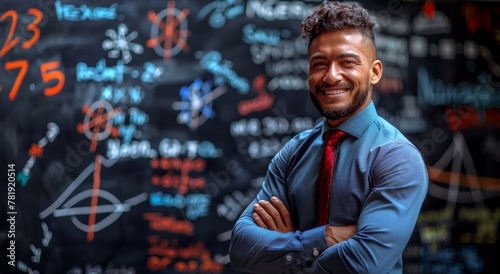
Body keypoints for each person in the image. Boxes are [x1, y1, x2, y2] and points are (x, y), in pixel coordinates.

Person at [229, 1, 428, 273]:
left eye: (347, 62)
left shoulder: (397, 158)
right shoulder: (294, 152)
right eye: (320, 63)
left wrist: (286, 250)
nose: (332, 76)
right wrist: (326, 237)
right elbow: (241, 249)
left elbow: (363, 265)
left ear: (375, 72)